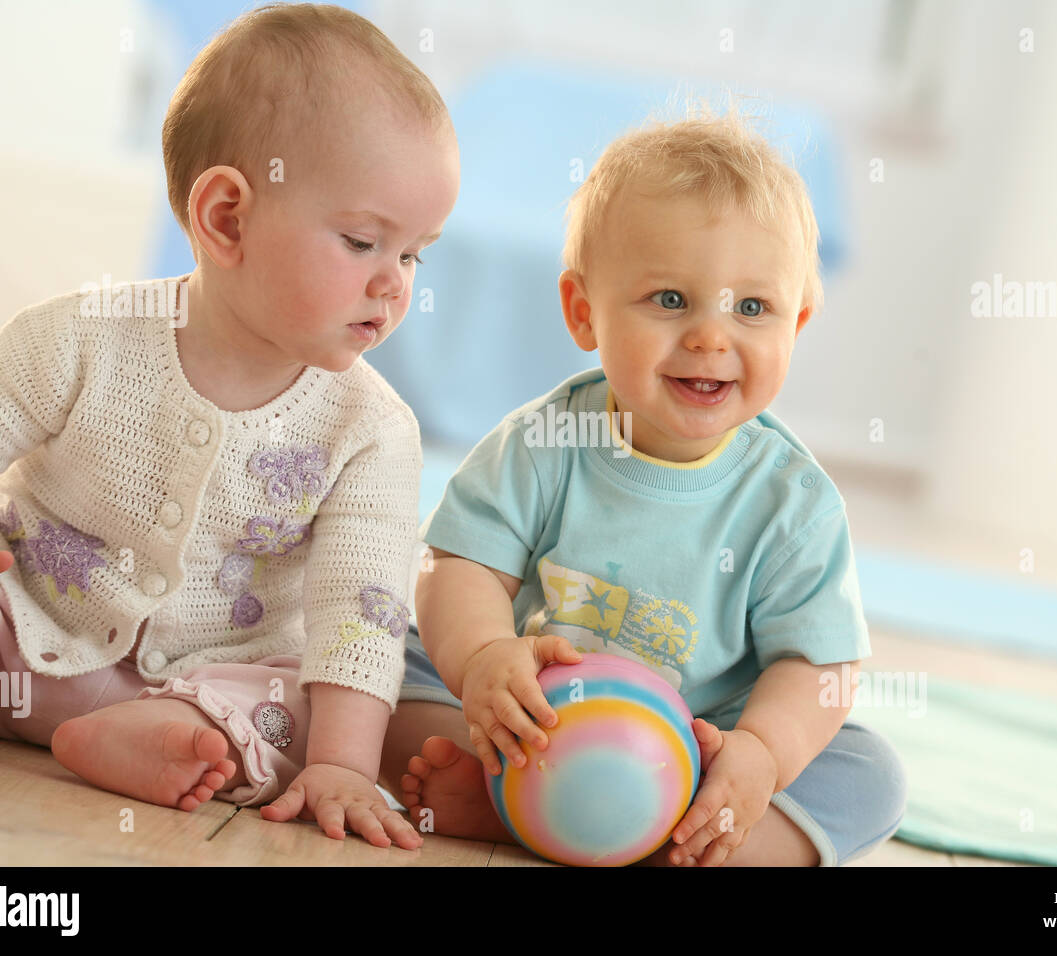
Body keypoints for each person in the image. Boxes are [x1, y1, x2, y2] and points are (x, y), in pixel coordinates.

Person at [0, 2, 458, 849]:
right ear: (227, 219)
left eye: (414, 253)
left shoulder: (373, 431)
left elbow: (362, 616)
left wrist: (345, 766)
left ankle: (160, 738)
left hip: (211, 674)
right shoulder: (89, 335)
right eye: (364, 241)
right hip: (24, 621)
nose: (396, 283)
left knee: (299, 702)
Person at [380, 105, 907, 866]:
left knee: (869, 777)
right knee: (383, 664)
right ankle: (524, 803)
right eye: (670, 300)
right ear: (582, 311)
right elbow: (456, 567)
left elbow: (817, 666)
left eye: (752, 308)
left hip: (697, 746)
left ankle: (676, 832)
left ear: (796, 325)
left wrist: (759, 752)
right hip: (530, 724)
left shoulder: (794, 503)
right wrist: (488, 654)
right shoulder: (544, 444)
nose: (709, 337)